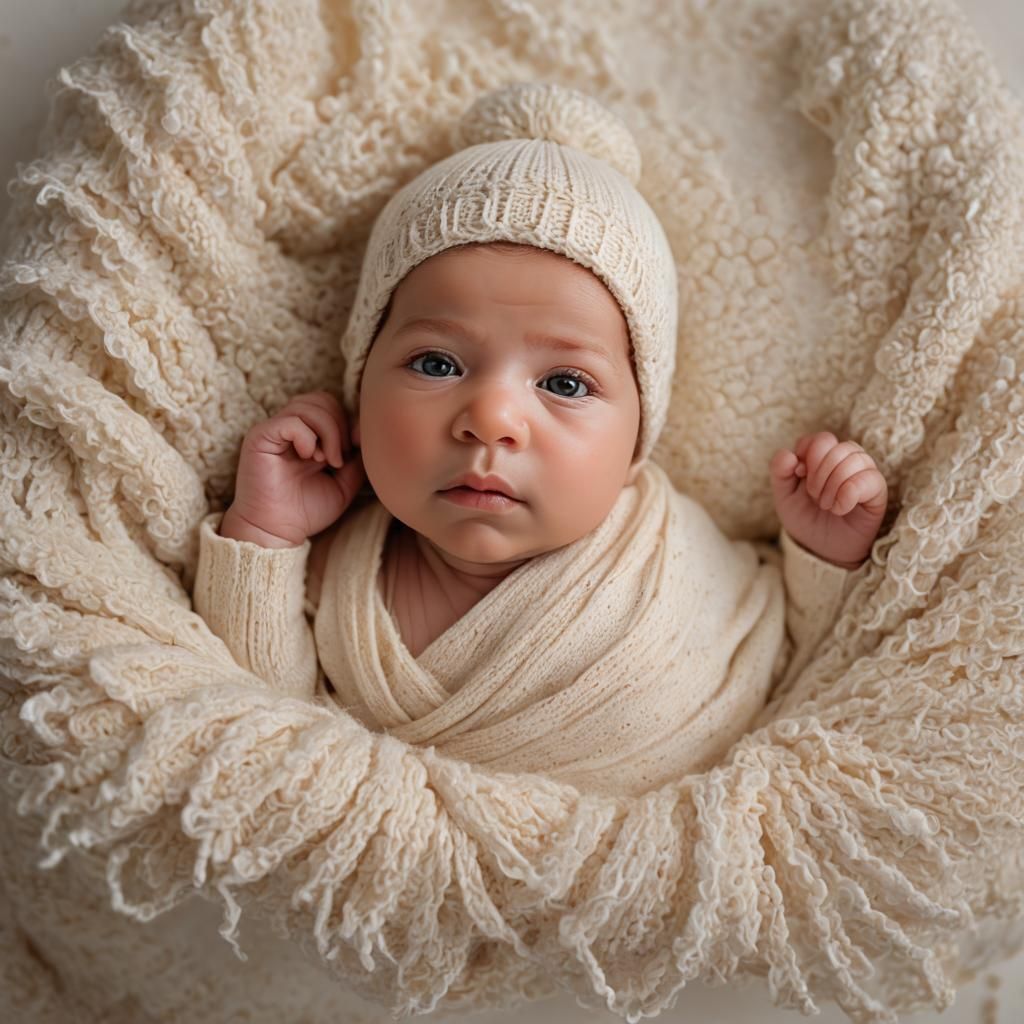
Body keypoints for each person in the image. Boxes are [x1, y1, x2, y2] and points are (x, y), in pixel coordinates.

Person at [192, 82, 887, 797]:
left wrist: (824, 558)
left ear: (638, 434)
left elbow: (802, 668)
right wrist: (265, 536)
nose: (492, 418)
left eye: (565, 383)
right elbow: (261, 734)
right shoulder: (333, 571)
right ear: (359, 391)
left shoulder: (678, 563)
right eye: (436, 364)